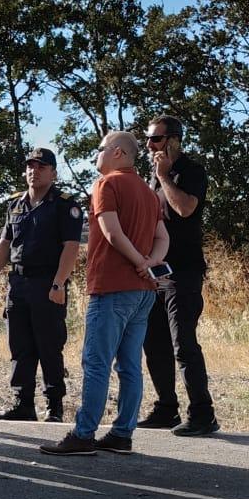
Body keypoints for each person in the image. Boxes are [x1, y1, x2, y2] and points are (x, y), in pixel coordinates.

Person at [42, 131, 168, 457]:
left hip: (112, 287)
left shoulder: (106, 184)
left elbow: (111, 232)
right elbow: (162, 237)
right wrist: (151, 262)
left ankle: (84, 434)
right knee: (129, 365)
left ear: (118, 154)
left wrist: (139, 261)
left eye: (100, 149)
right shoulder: (149, 193)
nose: (96, 155)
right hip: (144, 291)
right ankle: (122, 433)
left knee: (96, 363)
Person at [0, 147, 85, 422]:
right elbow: (5, 243)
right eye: (30, 166)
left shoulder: (64, 204)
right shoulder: (15, 203)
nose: (33, 171)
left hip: (48, 282)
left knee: (49, 346)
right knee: (20, 346)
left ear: (53, 172)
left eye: (40, 167)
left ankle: (54, 407)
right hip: (19, 282)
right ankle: (22, 404)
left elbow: (71, 247)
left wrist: (59, 283)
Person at [138, 115, 220, 437]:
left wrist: (164, 178)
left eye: (155, 139)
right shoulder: (153, 176)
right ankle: (165, 408)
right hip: (157, 273)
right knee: (153, 342)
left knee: (183, 343)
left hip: (184, 273)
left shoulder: (191, 171)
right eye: (147, 139)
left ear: (173, 140)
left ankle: (203, 413)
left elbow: (185, 209)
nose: (149, 145)